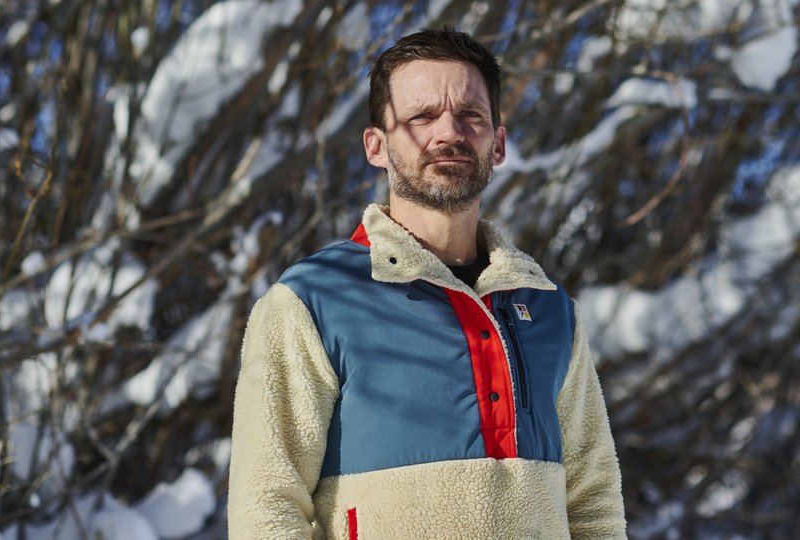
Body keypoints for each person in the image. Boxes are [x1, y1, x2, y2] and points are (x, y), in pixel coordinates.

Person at [228, 27, 626, 539]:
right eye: (421, 116)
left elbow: (593, 504)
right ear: (376, 146)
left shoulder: (549, 310)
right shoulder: (314, 300)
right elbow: (265, 508)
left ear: (498, 144)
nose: (448, 132)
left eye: (471, 115)